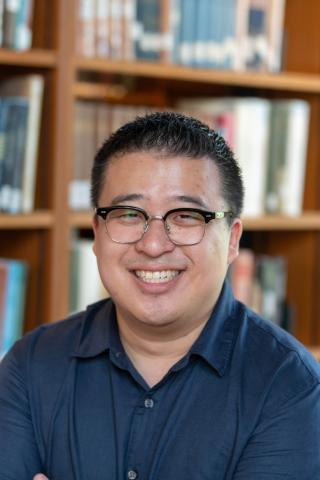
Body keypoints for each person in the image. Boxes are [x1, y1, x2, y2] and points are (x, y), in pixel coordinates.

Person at [0, 112, 320, 479]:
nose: (153, 245)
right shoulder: (31, 366)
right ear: (97, 232)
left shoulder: (291, 388)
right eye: (129, 214)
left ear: (232, 239)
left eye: (185, 216)